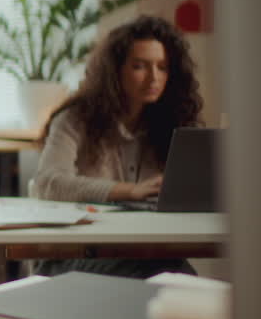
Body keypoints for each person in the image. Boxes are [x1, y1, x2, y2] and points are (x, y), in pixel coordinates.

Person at [32, 14, 203, 277]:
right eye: (140, 66)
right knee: (172, 277)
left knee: (180, 276)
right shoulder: (75, 119)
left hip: (144, 253)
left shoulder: (171, 125)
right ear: (115, 70)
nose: (153, 77)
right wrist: (128, 191)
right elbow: (48, 182)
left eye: (162, 67)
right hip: (72, 257)